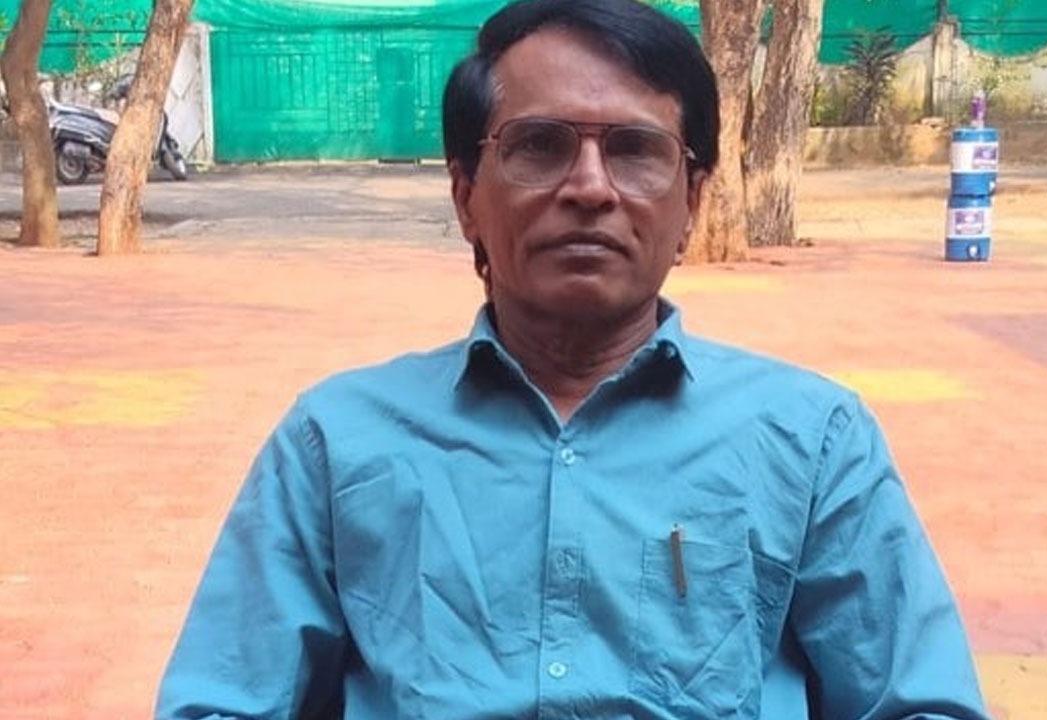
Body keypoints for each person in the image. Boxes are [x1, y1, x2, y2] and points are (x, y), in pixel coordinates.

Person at [155, 0, 991, 718]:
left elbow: (920, 702)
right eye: (539, 145)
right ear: (466, 198)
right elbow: (221, 700)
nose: (590, 187)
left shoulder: (810, 441)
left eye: (635, 150)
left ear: (693, 201)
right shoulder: (337, 444)